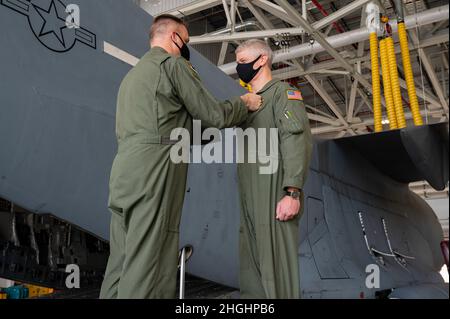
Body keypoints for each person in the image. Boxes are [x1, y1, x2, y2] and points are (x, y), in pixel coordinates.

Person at [99, 15, 262, 299]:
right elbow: (212, 114)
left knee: (121, 263)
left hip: (124, 174)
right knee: (149, 264)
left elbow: (168, 123)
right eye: (186, 41)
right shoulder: (173, 65)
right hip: (156, 173)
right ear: (175, 38)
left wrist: (206, 133)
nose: (186, 48)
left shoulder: (132, 77)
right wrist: (243, 104)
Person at [235, 39, 313, 299]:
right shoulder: (248, 103)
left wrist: (292, 193)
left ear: (262, 60)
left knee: (276, 273)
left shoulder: (282, 94)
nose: (239, 67)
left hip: (273, 196)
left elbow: (295, 140)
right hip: (250, 198)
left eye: (244, 62)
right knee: (252, 276)